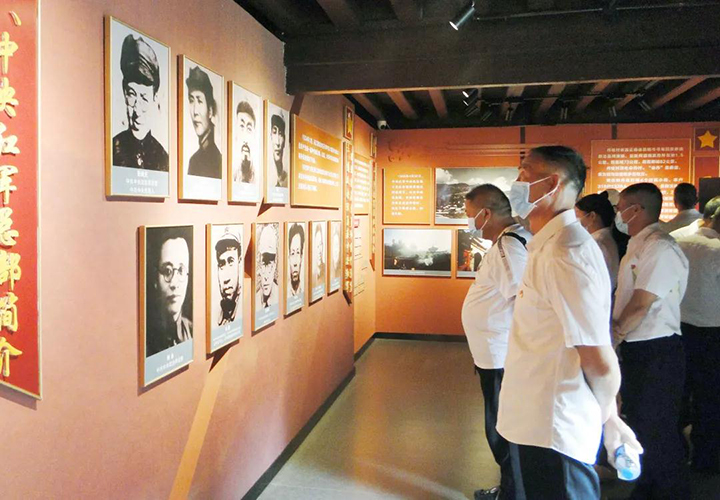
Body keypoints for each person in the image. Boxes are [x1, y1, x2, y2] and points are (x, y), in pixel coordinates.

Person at [497, 146, 641, 499]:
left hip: (554, 426)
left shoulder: (566, 253)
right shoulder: (548, 246)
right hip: (536, 420)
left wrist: (609, 418)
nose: (516, 184)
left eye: (524, 175)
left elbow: (598, 358)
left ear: (552, 185)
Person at [613, 182, 690, 498]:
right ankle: (647, 486)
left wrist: (615, 336)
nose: (618, 215)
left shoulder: (660, 247)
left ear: (637, 210)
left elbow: (641, 304)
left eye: (621, 209)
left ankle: (670, 491)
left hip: (656, 349)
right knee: (643, 425)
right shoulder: (638, 244)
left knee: (657, 427)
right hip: (638, 347)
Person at [461, 183, 531, 500]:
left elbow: (522, 299)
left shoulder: (509, 246)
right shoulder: (511, 241)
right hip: (496, 353)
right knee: (502, 423)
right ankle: (511, 488)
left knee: (501, 427)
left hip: (501, 355)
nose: (468, 221)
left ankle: (512, 493)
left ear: (485, 214)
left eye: (470, 214)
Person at [675, 206, 720, 474]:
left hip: (677, 327)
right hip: (712, 333)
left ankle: (675, 453)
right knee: (709, 399)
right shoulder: (716, 251)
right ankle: (706, 459)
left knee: (678, 393)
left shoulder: (678, 241)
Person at [112, 34, 168, 171]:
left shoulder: (162, 157)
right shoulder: (113, 149)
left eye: (144, 98)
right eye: (132, 95)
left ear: (155, 98)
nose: (137, 110)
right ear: (124, 93)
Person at [146, 228, 192, 356]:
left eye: (181, 270)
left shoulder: (193, 332)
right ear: (155, 280)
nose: (174, 284)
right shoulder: (146, 341)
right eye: (167, 271)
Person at [574, 191, 626, 290]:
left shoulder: (597, 243)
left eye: (577, 214)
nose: (575, 219)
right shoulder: (601, 239)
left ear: (592, 216)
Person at [186, 66, 221, 179]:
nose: (195, 111)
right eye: (191, 101)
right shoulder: (194, 160)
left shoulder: (218, 160)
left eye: (200, 101)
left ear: (210, 111)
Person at [215, 228, 241, 326]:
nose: (226, 279)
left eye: (231, 262)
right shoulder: (215, 317)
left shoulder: (245, 309)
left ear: (239, 263)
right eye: (221, 264)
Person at [232, 100, 256, 184]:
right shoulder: (228, 167)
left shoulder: (256, 175)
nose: (245, 134)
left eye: (249, 129)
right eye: (241, 126)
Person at [256, 224, 279, 310]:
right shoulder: (255, 301)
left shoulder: (279, 296)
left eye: (269, 265)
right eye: (263, 264)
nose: (266, 276)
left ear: (275, 265)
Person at [270, 113, 288, 187]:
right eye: (274, 132)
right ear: (270, 136)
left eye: (280, 134)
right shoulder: (268, 178)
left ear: (284, 139)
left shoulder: (287, 178)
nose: (277, 142)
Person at [288, 223, 305, 298]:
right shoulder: (284, 293)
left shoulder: (304, 289)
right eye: (292, 253)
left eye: (298, 253)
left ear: (301, 257)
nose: (295, 263)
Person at [313, 223, 325, 290]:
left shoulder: (326, 270)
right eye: (317, 246)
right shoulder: (310, 273)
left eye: (321, 244)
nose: (319, 250)